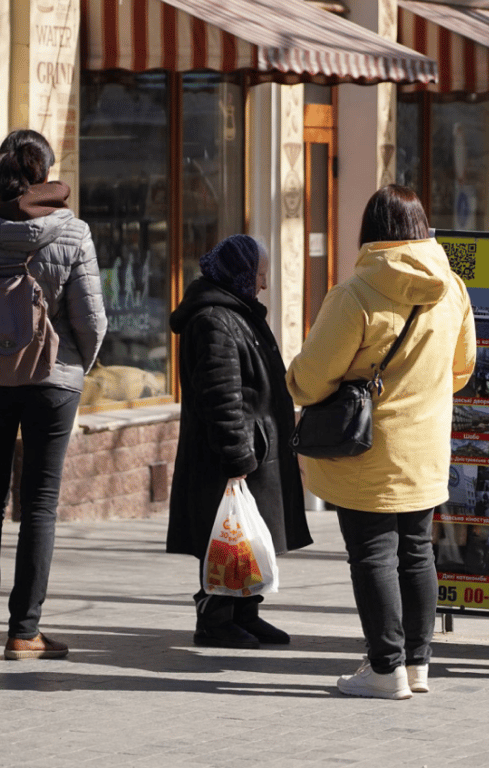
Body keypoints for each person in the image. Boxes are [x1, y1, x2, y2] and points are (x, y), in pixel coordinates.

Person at [287, 185, 476, 699]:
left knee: (372, 554)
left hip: (365, 449)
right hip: (426, 447)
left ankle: (384, 667)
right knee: (417, 553)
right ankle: (417, 665)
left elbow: (310, 379)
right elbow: (462, 370)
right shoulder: (453, 287)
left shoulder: (355, 294)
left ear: (370, 232)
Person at [0, 129, 106, 662]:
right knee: (40, 506)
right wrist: (74, 367)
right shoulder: (72, 231)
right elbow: (91, 320)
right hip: (53, 383)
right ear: (48, 172)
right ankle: (24, 631)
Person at [166, 235, 312, 648]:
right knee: (225, 538)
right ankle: (215, 619)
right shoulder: (214, 320)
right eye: (260, 276)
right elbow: (222, 397)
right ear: (241, 276)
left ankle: (246, 612)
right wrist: (237, 457)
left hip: (255, 448)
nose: (264, 285)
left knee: (247, 536)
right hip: (228, 456)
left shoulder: (238, 312)